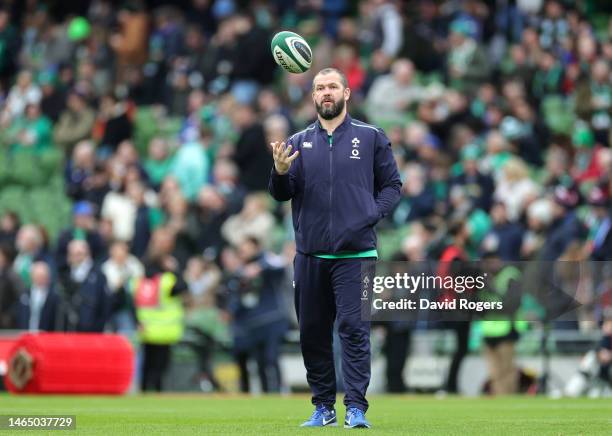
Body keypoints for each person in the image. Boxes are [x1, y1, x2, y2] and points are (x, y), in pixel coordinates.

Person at [269, 67, 401, 428]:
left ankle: (355, 406)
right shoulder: (296, 142)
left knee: (354, 330)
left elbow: (392, 185)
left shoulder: (371, 136)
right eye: (319, 88)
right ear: (313, 97)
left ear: (346, 93)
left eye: (332, 87)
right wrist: (279, 172)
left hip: (356, 255)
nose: (326, 92)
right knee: (312, 332)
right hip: (310, 255)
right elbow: (282, 194)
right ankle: (323, 407)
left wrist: (371, 213)